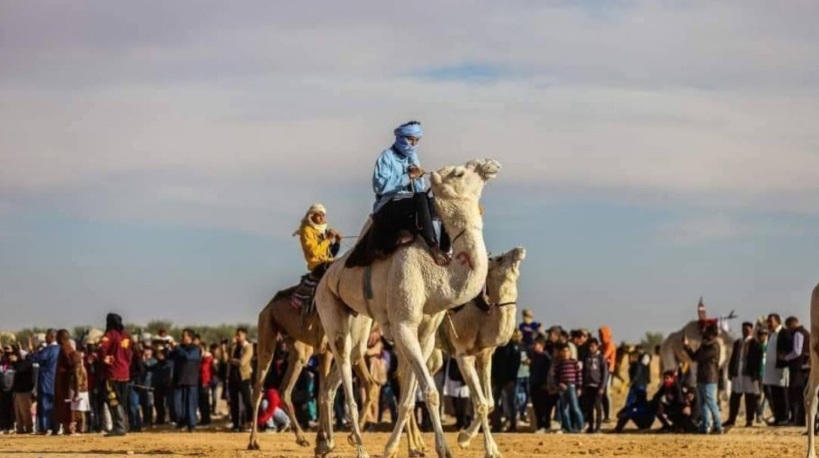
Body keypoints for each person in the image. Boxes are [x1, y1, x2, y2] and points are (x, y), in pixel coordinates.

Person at [366, 120, 450, 266]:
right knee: (421, 198)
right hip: (388, 203)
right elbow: (380, 186)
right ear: (400, 138)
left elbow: (418, 189)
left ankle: (446, 249)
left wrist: (418, 177)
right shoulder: (387, 157)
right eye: (410, 140)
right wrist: (407, 177)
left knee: (439, 203)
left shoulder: (413, 158)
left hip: (409, 201)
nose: (413, 144)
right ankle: (433, 246)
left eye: (416, 140)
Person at [291, 203, 342, 308]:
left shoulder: (321, 231)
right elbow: (314, 252)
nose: (322, 217)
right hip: (317, 265)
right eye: (319, 214)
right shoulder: (306, 230)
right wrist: (328, 239)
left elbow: (330, 253)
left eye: (323, 215)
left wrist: (337, 242)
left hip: (326, 262)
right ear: (311, 216)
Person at [683, 324, 723, 434]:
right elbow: (694, 357)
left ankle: (718, 426)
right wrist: (687, 347)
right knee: (703, 403)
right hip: (702, 378)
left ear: (711, 334)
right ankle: (705, 427)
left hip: (709, 378)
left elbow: (700, 357)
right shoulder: (705, 345)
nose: (703, 334)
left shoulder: (714, 346)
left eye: (705, 332)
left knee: (711, 402)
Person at [98, 313, 133, 437]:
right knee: (122, 400)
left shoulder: (110, 334)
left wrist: (104, 359)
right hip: (125, 373)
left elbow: (101, 348)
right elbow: (130, 355)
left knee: (113, 399)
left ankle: (119, 427)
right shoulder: (126, 336)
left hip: (113, 372)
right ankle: (124, 425)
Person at [725, 321, 763, 428]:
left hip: (749, 374)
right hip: (738, 373)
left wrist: (755, 375)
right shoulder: (738, 343)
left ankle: (749, 420)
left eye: (748, 329)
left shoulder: (755, 344)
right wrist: (730, 371)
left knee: (749, 397)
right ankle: (731, 419)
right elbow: (733, 358)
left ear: (751, 330)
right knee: (735, 396)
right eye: (744, 329)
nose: (745, 331)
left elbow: (758, 361)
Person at [30, 329, 60, 434]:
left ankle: (44, 427)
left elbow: (37, 358)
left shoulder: (48, 350)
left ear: (52, 337)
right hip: (56, 380)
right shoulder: (60, 349)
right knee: (54, 403)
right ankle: (55, 427)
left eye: (47, 336)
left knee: (44, 402)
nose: (45, 338)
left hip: (46, 379)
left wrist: (30, 354)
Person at [171, 329, 201, 432]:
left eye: (184, 336)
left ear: (190, 337)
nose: (181, 338)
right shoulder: (179, 348)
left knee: (190, 404)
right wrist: (169, 348)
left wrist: (178, 348)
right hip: (179, 380)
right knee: (177, 404)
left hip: (190, 380)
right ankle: (181, 422)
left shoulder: (195, 348)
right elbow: (168, 357)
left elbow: (189, 357)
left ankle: (191, 425)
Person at [491, 334, 522, 432]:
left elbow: (515, 364)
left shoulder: (514, 347)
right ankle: (496, 425)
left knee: (511, 403)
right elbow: (494, 362)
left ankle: (513, 424)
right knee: (495, 403)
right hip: (498, 379)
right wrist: (494, 378)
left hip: (509, 380)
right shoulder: (497, 347)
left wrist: (512, 379)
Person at [783, 316, 810, 426]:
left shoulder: (798, 333)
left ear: (793, 323)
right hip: (803, 367)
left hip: (798, 368)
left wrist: (786, 358)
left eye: (789, 326)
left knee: (796, 394)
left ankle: (797, 419)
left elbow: (797, 351)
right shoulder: (805, 332)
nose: (789, 329)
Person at [763, 313, 789, 426]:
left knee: (782, 394)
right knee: (773, 394)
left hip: (780, 369)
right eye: (768, 321)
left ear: (777, 322)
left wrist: (784, 358)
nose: (769, 324)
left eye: (771, 321)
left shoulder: (784, 333)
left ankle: (784, 417)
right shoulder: (771, 334)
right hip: (770, 370)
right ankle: (778, 417)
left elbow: (788, 348)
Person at [227, 328, 254, 432]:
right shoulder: (234, 347)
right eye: (236, 335)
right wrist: (228, 347)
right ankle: (235, 424)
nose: (237, 337)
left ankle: (249, 422)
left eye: (239, 335)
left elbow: (242, 362)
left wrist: (231, 360)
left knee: (247, 401)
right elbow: (226, 359)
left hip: (244, 377)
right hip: (233, 377)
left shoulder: (248, 347)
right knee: (234, 402)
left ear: (245, 335)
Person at [581, 338, 608, 433]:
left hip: (597, 386)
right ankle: (591, 427)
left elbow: (605, 373)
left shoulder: (601, 358)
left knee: (597, 406)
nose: (591, 348)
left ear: (597, 346)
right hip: (588, 386)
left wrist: (602, 387)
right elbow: (583, 372)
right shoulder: (586, 357)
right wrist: (582, 386)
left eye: (593, 346)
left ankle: (598, 427)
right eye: (590, 346)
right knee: (589, 407)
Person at [555, 343, 584, 433]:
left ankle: (581, 426)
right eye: (563, 351)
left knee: (575, 407)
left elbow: (579, 375)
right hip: (562, 387)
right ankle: (569, 428)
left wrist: (579, 387)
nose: (565, 353)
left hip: (572, 386)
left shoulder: (574, 362)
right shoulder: (559, 364)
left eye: (567, 351)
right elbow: (556, 376)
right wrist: (559, 384)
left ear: (570, 352)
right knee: (564, 409)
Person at [528, 335, 552, 433]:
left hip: (543, 385)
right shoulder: (534, 357)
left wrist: (547, 383)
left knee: (544, 407)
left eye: (536, 344)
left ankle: (545, 425)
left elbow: (548, 372)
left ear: (541, 345)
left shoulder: (546, 357)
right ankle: (539, 425)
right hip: (534, 384)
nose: (534, 346)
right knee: (536, 406)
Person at [53, 329, 76, 435]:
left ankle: (70, 426)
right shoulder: (63, 348)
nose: (56, 339)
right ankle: (66, 426)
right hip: (61, 381)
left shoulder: (66, 349)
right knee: (63, 404)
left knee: (67, 404)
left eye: (58, 337)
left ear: (62, 338)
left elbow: (72, 364)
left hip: (65, 381)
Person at [10, 346, 35, 434]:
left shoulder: (27, 363)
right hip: (17, 391)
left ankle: (29, 428)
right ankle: (20, 428)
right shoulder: (19, 363)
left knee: (25, 412)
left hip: (24, 391)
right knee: (18, 412)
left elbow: (19, 369)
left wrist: (14, 362)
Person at [443, 356, 471, 430]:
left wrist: (464, 380)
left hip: (463, 383)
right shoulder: (452, 358)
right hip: (453, 381)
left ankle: (464, 423)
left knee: (463, 405)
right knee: (455, 403)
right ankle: (459, 422)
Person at [70, 344, 90, 434]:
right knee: (80, 411)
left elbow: (77, 381)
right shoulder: (82, 368)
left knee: (78, 411)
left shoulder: (77, 369)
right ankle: (81, 427)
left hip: (78, 391)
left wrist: (76, 393)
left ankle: (79, 428)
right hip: (82, 391)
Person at [598, 326, 616, 422]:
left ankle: (608, 416)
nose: (600, 337)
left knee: (606, 393)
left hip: (608, 370)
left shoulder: (611, 345)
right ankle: (604, 415)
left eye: (601, 335)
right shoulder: (602, 346)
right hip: (602, 370)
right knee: (602, 393)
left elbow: (604, 356)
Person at [0, 346, 14, 433]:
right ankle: (2, 426)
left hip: (11, 390)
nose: (6, 355)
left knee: (10, 410)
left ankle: (10, 427)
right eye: (5, 353)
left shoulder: (14, 364)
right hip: (2, 390)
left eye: (8, 353)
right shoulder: (2, 365)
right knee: (2, 409)